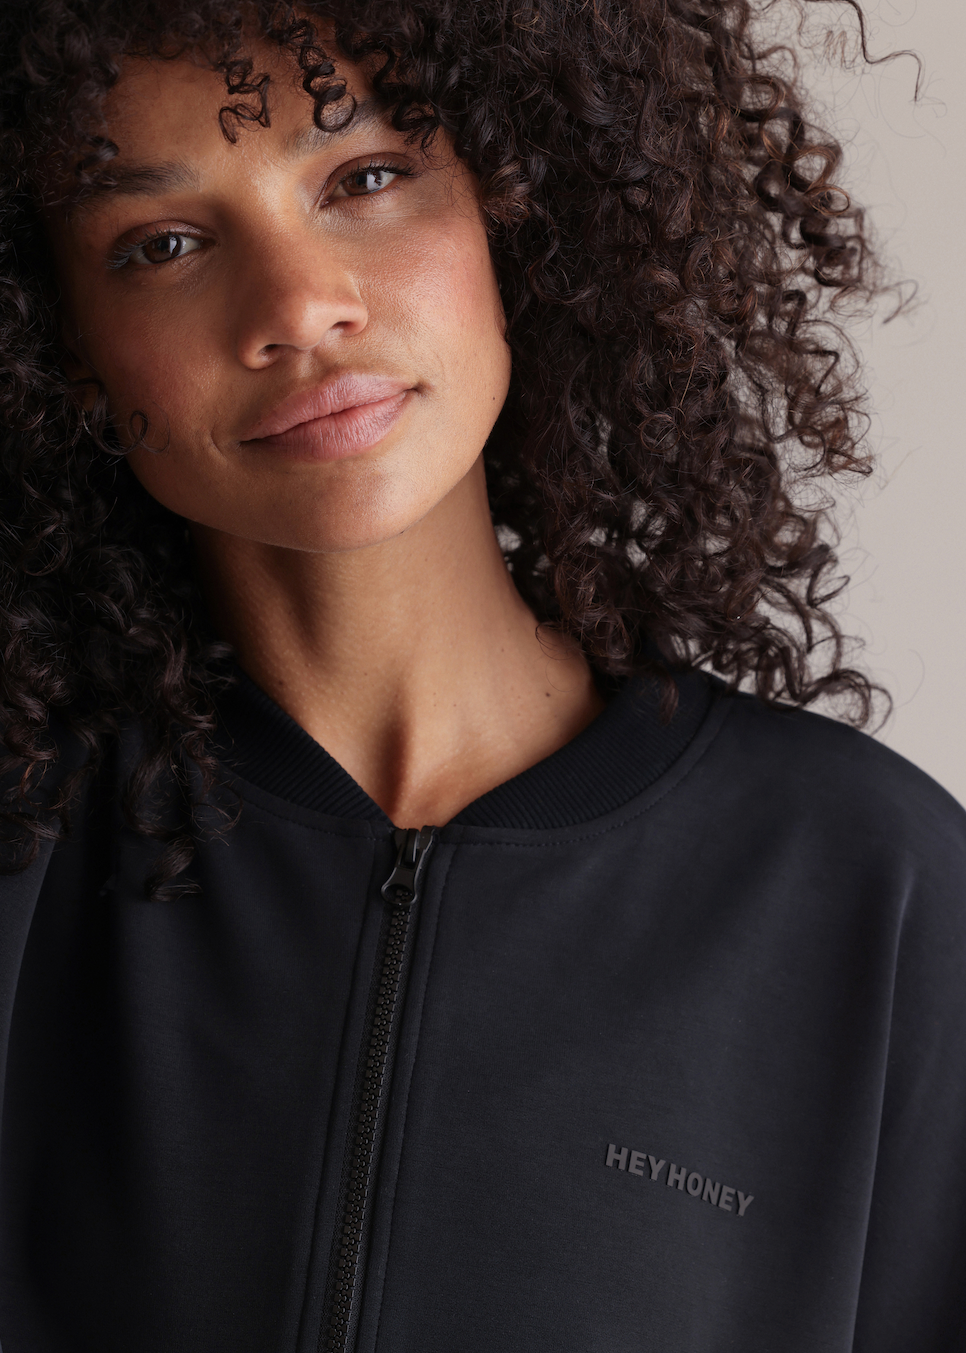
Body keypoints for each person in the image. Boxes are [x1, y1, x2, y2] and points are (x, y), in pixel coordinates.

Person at [0, 0, 963, 1349]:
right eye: (162, 244)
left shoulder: (871, 883)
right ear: (64, 351)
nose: (299, 306)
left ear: (516, 207)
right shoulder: (27, 846)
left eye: (366, 178)